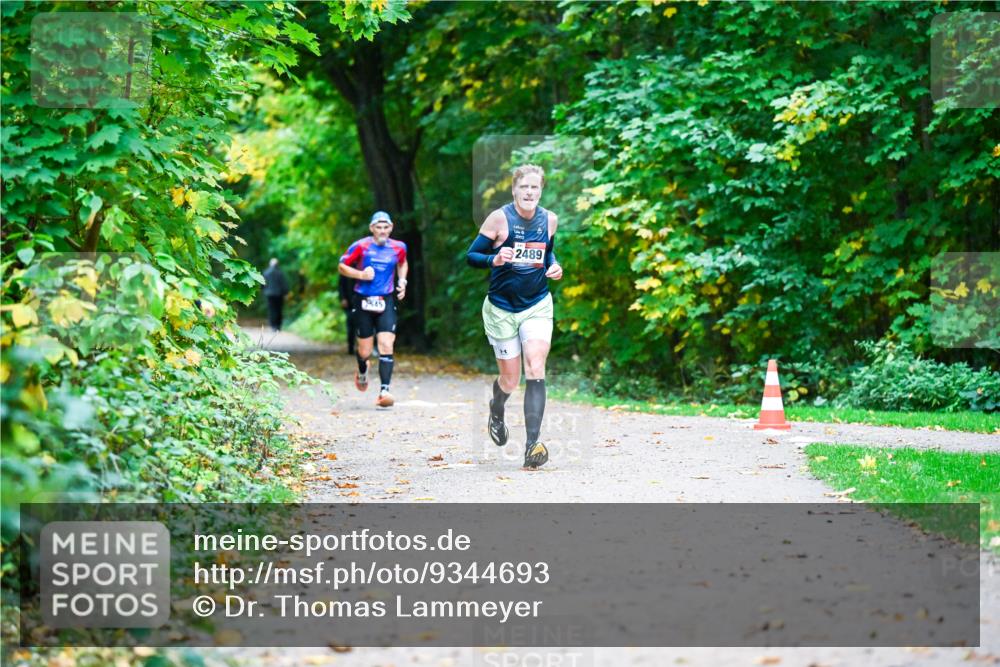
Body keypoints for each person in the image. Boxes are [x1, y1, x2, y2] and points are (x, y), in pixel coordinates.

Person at [466, 164, 563, 468]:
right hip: (501, 309)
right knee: (510, 379)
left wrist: (555, 266)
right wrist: (493, 258)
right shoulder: (499, 218)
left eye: (535, 187)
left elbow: (548, 253)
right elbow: (471, 256)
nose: (529, 192)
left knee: (536, 366)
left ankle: (532, 446)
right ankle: (497, 409)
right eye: (524, 187)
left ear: (541, 190)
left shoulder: (549, 220)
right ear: (514, 190)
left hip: (536, 304)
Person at [338, 211, 408, 408]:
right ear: (372, 228)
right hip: (363, 300)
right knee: (365, 350)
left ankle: (384, 391)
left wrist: (402, 280)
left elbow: (403, 263)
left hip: (385, 300)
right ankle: (362, 369)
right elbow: (342, 266)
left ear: (391, 228)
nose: (382, 231)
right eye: (379, 227)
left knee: (386, 344)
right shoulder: (361, 246)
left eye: (386, 228)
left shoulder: (399, 247)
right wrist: (360, 274)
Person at [262, 258, 289, 331]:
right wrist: (286, 293)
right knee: (279, 309)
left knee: (271, 310)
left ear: (270, 264)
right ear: (277, 264)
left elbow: (262, 283)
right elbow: (284, 284)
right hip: (279, 294)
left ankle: (273, 325)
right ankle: (278, 326)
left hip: (269, 294)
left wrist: (264, 291)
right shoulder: (280, 273)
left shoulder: (266, 272)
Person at [338, 273, 357, 355]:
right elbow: (341, 285)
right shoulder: (346, 265)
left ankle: (363, 347)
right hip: (349, 303)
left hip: (362, 301)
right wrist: (343, 298)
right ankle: (351, 347)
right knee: (351, 325)